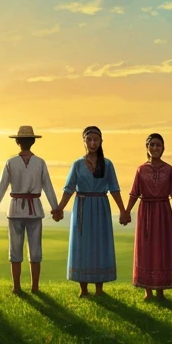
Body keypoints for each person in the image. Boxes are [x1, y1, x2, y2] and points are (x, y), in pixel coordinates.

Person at [52, 126, 128, 297]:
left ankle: (100, 288)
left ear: (101, 141)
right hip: (83, 207)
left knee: (101, 244)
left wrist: (123, 210)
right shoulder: (77, 164)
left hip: (101, 206)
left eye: (96, 140)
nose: (93, 143)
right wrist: (60, 208)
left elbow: (115, 189)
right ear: (84, 142)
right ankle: (83, 288)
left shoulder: (107, 164)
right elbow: (69, 188)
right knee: (82, 244)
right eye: (89, 140)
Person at [0, 125, 57, 295]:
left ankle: (18, 286)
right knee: (34, 249)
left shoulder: (11, 162)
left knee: (16, 248)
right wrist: (55, 208)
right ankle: (32, 286)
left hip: (18, 209)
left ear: (17, 142)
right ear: (33, 141)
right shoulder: (39, 162)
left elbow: (1, 187)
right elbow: (48, 187)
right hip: (31, 210)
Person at [122, 133, 172, 302]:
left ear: (163, 148)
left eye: (159, 145)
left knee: (163, 248)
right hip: (146, 211)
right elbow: (134, 193)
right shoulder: (141, 169)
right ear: (147, 148)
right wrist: (126, 212)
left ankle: (161, 291)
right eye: (152, 145)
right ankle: (147, 290)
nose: (155, 148)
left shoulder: (169, 169)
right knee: (146, 248)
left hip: (163, 211)